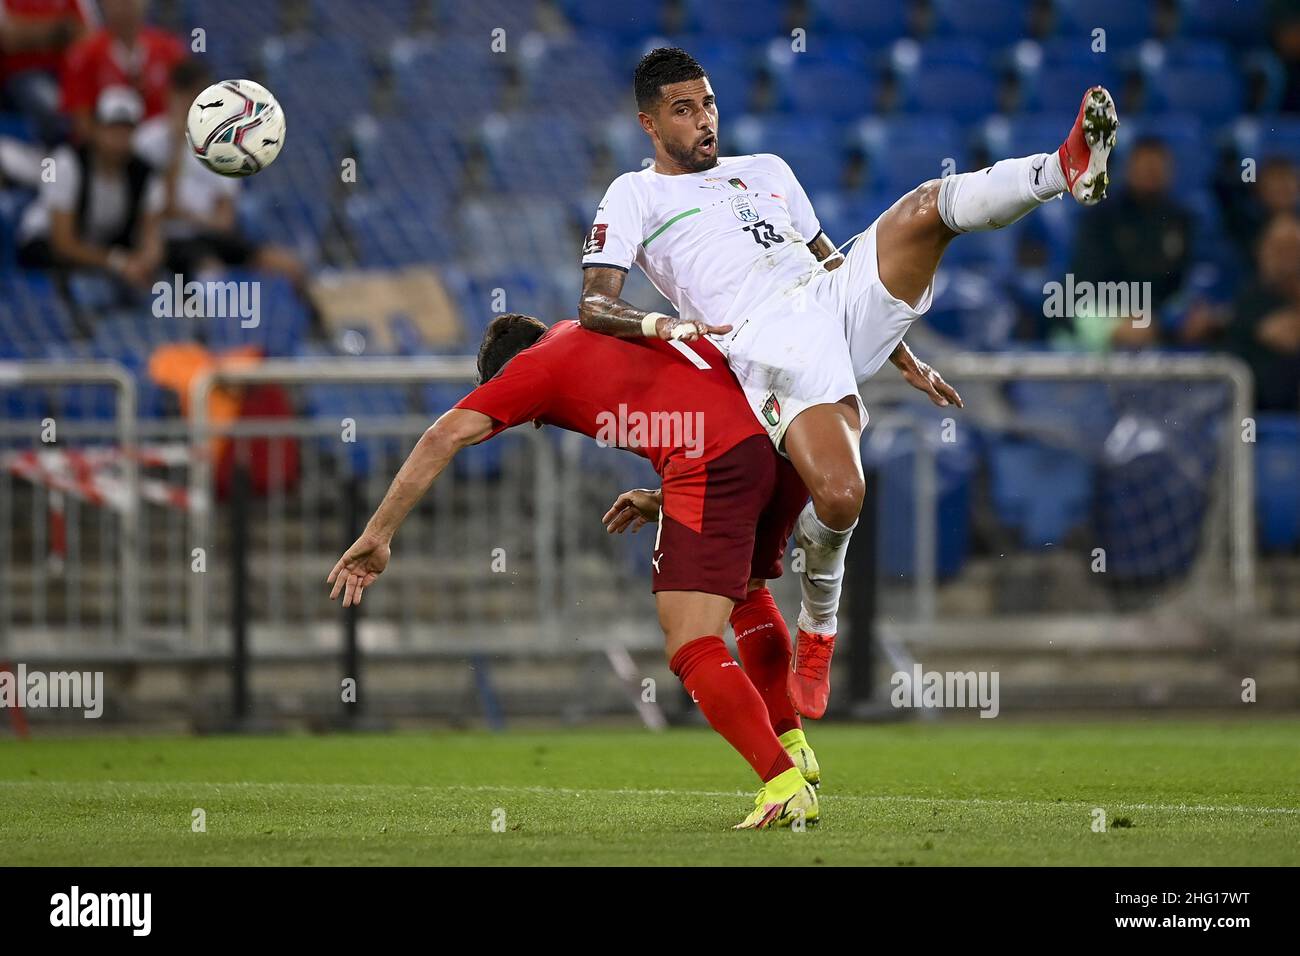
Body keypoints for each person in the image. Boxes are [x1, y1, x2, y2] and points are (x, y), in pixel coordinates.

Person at [577, 47, 1113, 717]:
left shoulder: (767, 169)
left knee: (924, 208)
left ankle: (1064, 166)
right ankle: (820, 628)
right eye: (683, 111)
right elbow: (594, 306)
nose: (705, 121)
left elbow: (833, 260)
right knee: (838, 495)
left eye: (709, 103)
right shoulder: (635, 193)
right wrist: (665, 327)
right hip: (763, 338)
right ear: (650, 125)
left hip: (825, 297)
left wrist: (896, 346)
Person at [327, 312, 960, 829]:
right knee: (745, 591)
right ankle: (793, 745)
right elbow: (701, 403)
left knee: (691, 644)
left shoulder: (534, 368)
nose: (540, 422)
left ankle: (783, 785)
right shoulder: (607, 329)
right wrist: (666, 499)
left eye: (534, 418)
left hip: (713, 461)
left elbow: (444, 435)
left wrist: (378, 535)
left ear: (507, 370)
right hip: (779, 441)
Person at [16, 84, 162, 290]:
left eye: (126, 130)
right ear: (95, 129)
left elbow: (152, 235)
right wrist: (118, 263)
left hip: (102, 247)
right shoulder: (66, 163)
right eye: (112, 128)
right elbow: (62, 242)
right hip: (46, 245)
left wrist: (144, 262)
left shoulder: (145, 173)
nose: (118, 138)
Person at [59, 0, 184, 142]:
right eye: (117, 2)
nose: (125, 7)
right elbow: (82, 123)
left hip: (160, 144)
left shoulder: (170, 50)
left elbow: (183, 107)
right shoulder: (83, 55)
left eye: (130, 2)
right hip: (106, 147)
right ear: (104, 5)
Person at [1227, 214, 1300, 411]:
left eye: (1293, 250)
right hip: (1260, 408)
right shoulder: (1249, 301)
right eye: (1280, 251)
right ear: (1262, 253)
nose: (1288, 261)